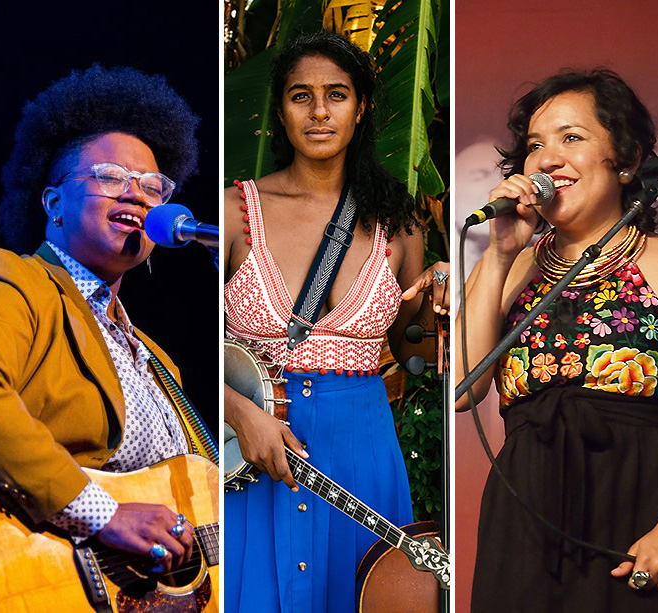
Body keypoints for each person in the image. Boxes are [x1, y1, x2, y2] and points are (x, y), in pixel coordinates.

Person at [223, 31, 449, 612]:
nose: (320, 112)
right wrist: (239, 412)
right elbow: (171, 356)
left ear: (361, 108)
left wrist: (433, 297)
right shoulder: (232, 212)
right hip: (249, 455)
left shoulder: (398, 225)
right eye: (302, 96)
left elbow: (414, 350)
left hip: (361, 452)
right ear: (280, 110)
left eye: (337, 95)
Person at [457, 70, 658, 611]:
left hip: (637, 515)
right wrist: (501, 252)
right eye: (535, 145)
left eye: (571, 138)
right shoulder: (510, 269)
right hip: (526, 519)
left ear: (627, 161)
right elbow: (463, 391)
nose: (547, 159)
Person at [0, 65, 206, 573]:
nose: (136, 194)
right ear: (54, 204)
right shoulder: (18, 281)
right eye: (110, 177)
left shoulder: (159, 363)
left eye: (153, 186)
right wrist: (103, 514)